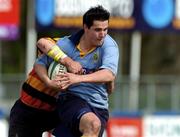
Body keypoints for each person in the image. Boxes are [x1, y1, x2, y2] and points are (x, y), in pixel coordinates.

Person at [35, 5, 119, 137]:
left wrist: (78, 78)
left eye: (105, 29)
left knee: (93, 126)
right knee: (93, 125)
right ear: (85, 27)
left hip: (99, 107)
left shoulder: (109, 45)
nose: (102, 34)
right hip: (71, 99)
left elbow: (109, 74)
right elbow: (39, 63)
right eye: (97, 30)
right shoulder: (67, 45)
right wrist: (49, 82)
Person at [8, 37, 82, 137]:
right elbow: (42, 43)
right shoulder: (66, 43)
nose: (101, 35)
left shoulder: (92, 56)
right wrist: (67, 61)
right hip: (26, 111)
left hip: (55, 113)